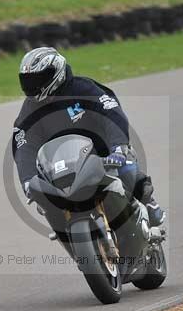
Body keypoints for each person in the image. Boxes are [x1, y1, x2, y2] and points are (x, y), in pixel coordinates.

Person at [12, 46, 165, 227]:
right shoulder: (30, 110)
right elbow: (24, 145)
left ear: (56, 73)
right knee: (45, 203)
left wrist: (118, 146)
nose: (33, 85)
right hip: (63, 167)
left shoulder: (83, 88)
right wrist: (28, 180)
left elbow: (111, 113)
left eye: (38, 79)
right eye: (27, 80)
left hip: (104, 155)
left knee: (127, 170)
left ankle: (147, 200)